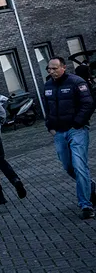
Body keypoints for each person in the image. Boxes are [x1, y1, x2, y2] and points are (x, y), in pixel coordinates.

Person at [43, 56, 96, 219]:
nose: (51, 71)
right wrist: (50, 126)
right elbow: (47, 108)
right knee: (68, 167)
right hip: (59, 133)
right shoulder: (48, 85)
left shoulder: (76, 82)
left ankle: (86, 205)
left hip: (76, 131)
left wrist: (77, 123)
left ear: (63, 67)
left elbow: (88, 103)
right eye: (49, 69)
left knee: (79, 165)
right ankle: (91, 188)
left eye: (54, 68)